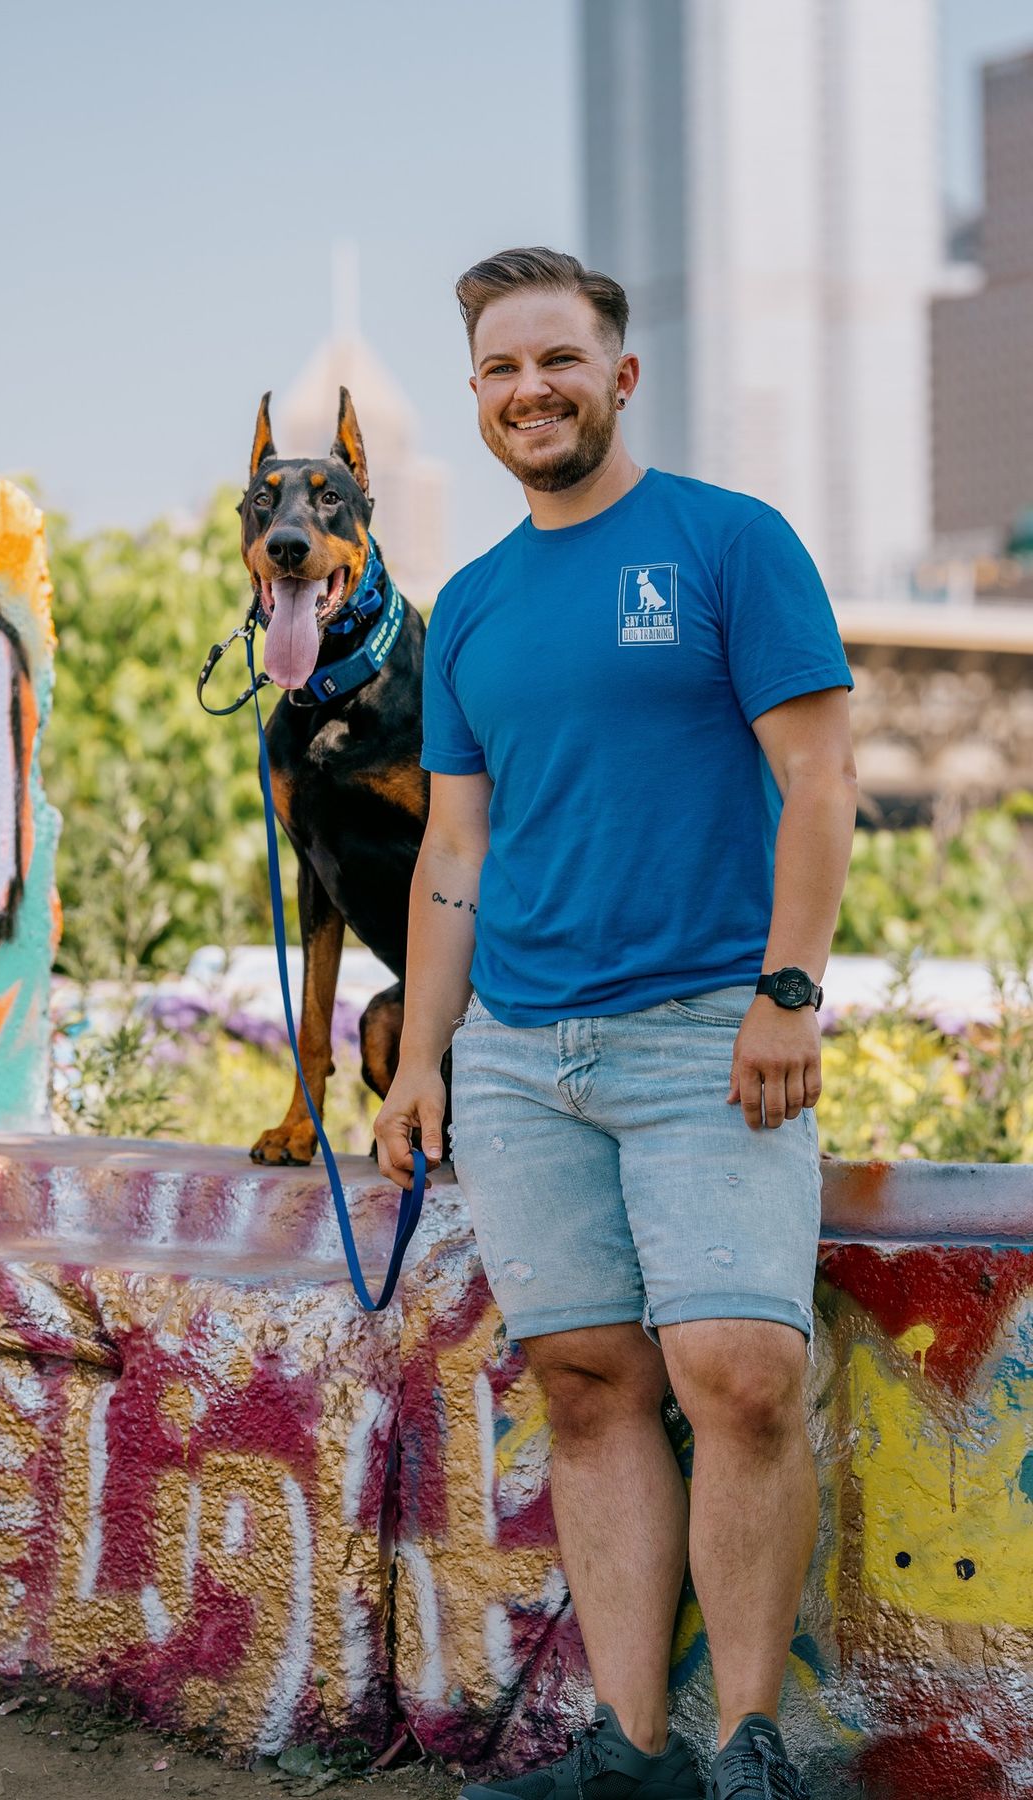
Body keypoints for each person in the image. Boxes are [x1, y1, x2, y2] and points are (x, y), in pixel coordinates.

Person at [373, 248, 857, 1800]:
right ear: (477, 396)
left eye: (559, 362)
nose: (532, 391)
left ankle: (750, 1749)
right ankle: (632, 1751)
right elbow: (457, 851)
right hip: (520, 1057)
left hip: (707, 1031)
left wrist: (789, 989)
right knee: (586, 1387)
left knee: (740, 1375)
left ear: (621, 376)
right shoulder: (472, 609)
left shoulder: (729, 543)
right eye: (502, 370)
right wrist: (425, 1056)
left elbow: (823, 779)